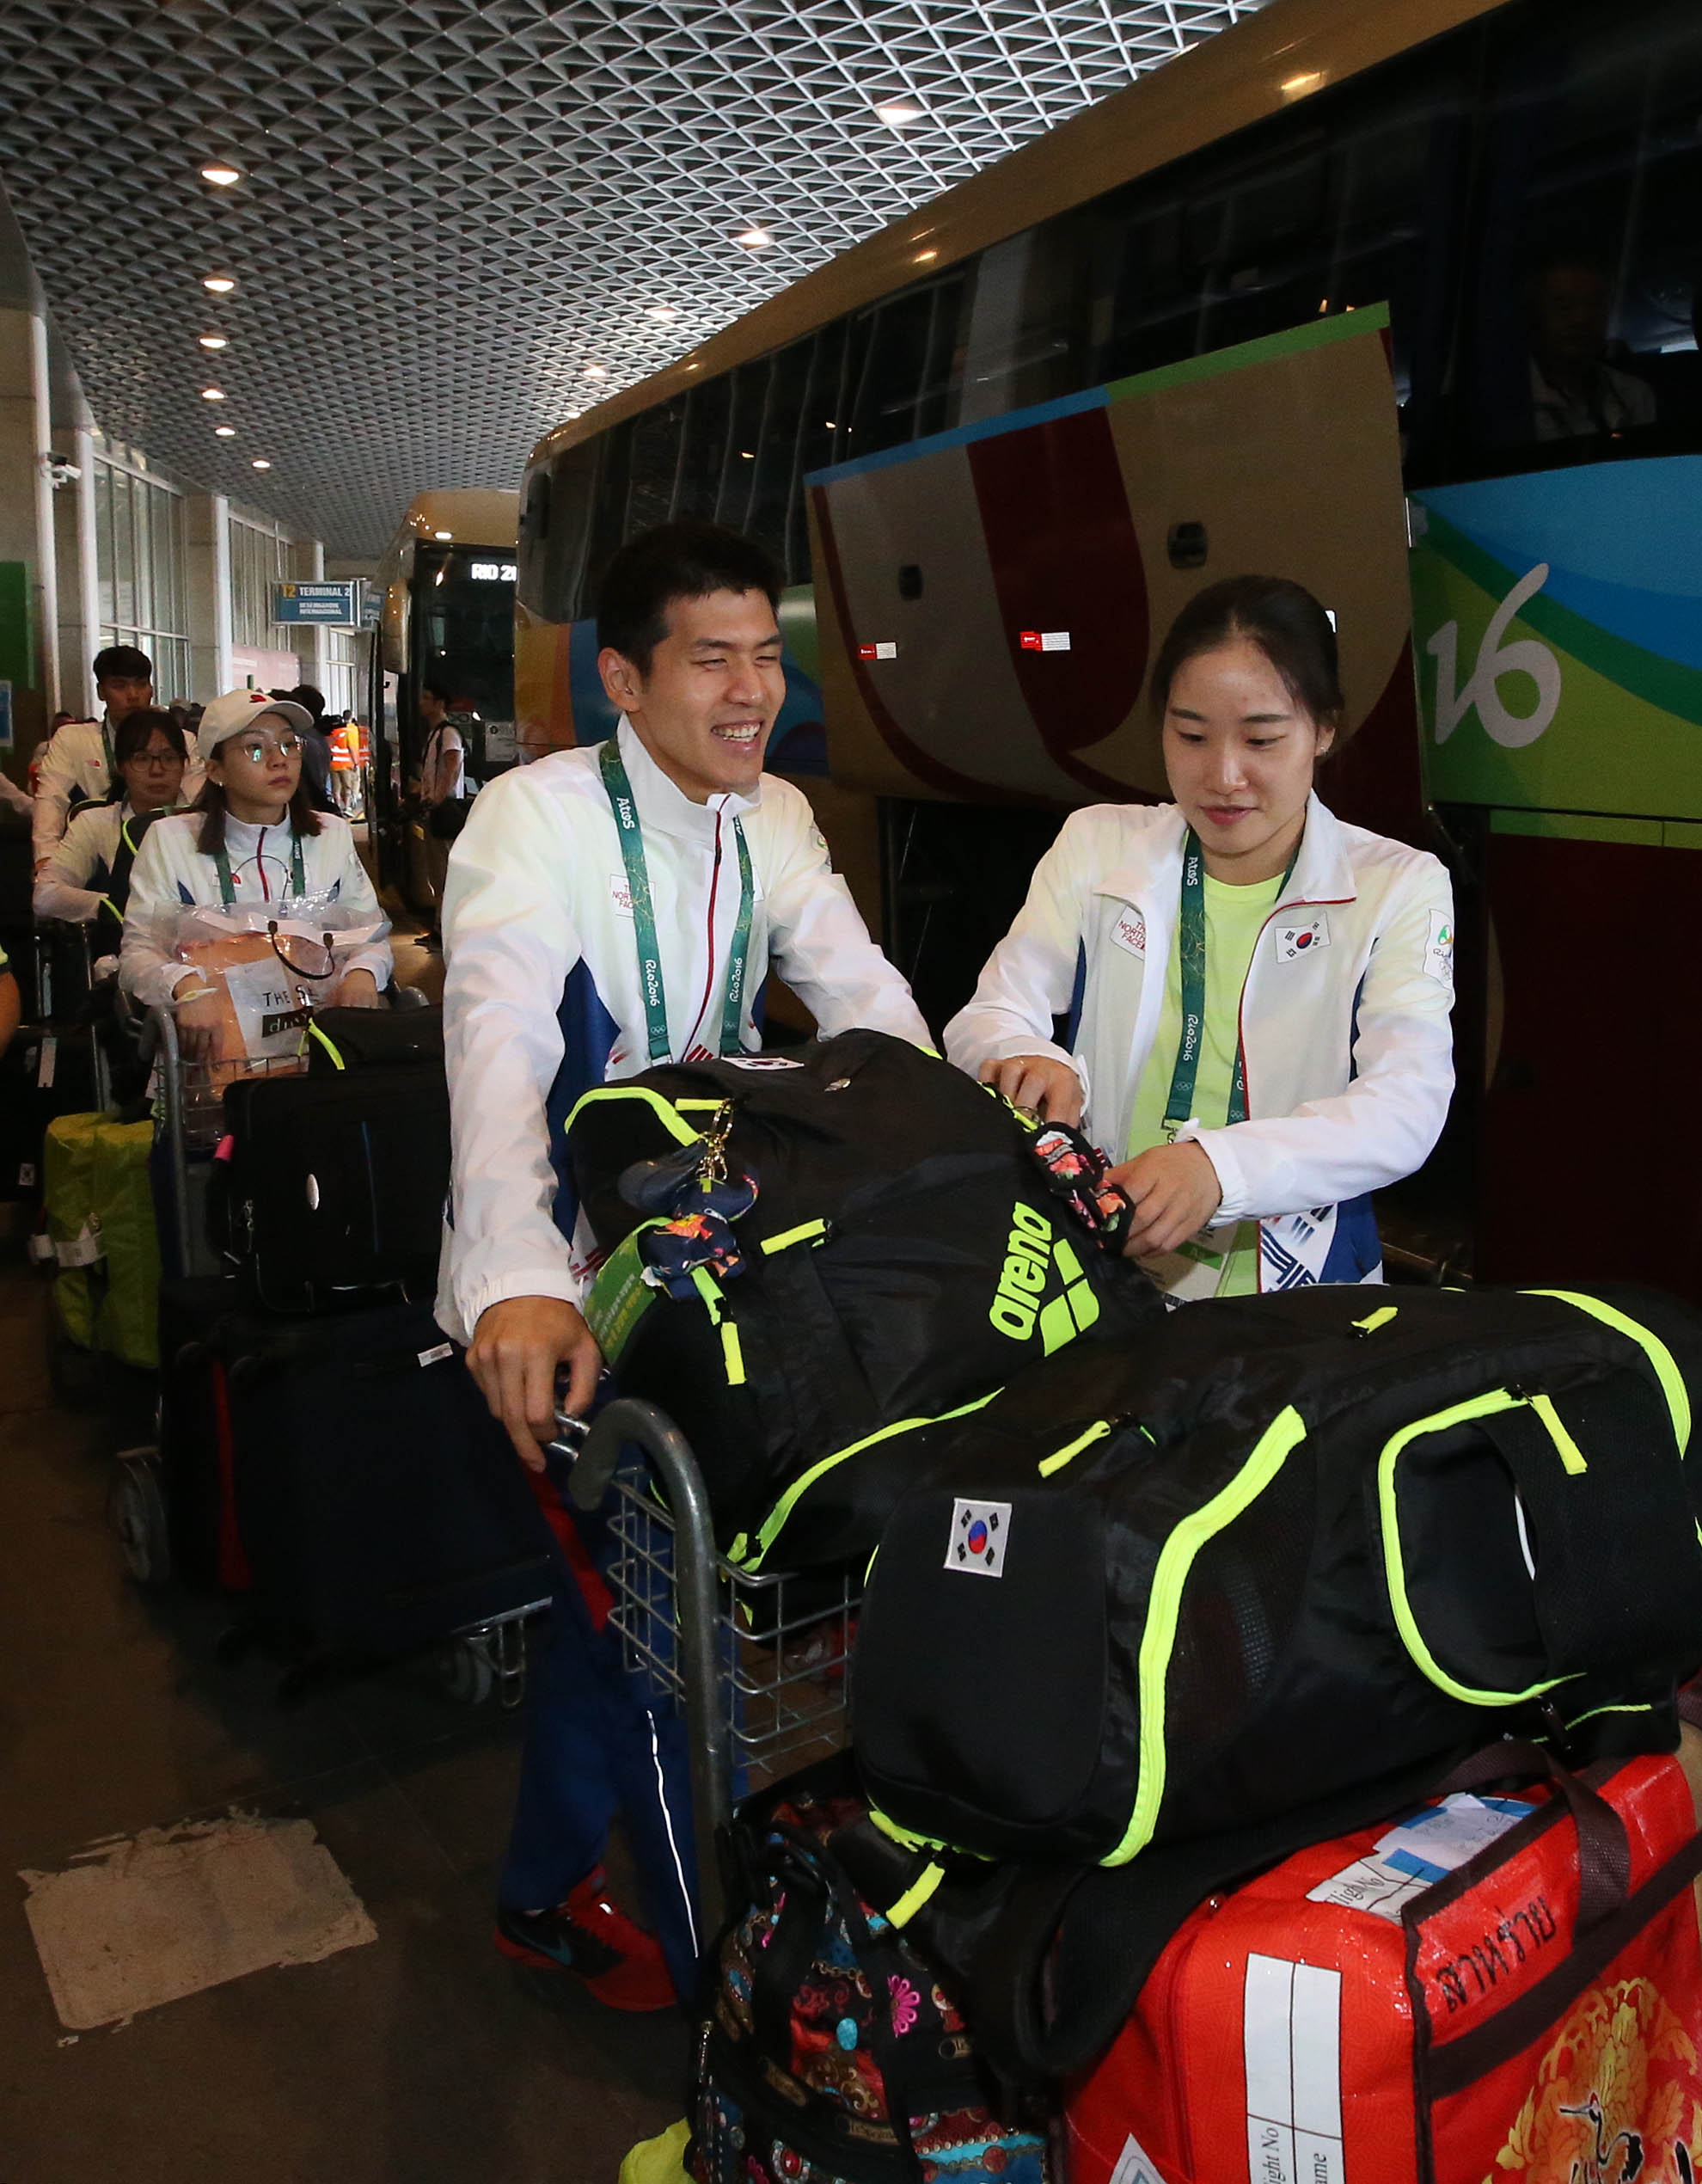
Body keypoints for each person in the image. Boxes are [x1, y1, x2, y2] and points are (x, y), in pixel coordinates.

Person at [440, 520, 929, 2009]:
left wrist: (965, 1149)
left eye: (767, 658)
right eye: (711, 658)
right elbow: (502, 1046)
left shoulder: (771, 816)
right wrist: (520, 1274)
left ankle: (539, 1888)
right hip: (574, 1288)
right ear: (621, 679)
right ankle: (733, 1983)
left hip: (714, 1270)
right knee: (653, 1637)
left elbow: (869, 1011)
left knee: (639, 1612)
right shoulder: (532, 822)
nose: (749, 691)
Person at [946, 575, 1455, 1299]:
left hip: (1295, 1295)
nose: (1222, 776)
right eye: (1190, 735)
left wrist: (1221, 1169)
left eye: (1262, 739)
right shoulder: (1097, 846)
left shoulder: (1396, 886)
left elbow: (1406, 1106)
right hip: (1102, 1263)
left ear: (1325, 729)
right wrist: (1022, 1055)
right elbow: (989, 1015)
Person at [119, 689, 393, 1023]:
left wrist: (363, 972)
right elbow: (138, 951)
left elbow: (370, 935)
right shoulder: (170, 840)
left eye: (289, 744)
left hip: (323, 1030)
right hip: (216, 1042)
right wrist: (184, 986)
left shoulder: (331, 834)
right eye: (256, 748)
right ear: (215, 770)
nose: (279, 760)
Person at [32, 646, 205, 865]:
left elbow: (197, 799)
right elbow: (51, 799)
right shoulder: (73, 739)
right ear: (101, 692)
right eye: (119, 686)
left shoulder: (182, 739)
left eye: (141, 684)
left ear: (151, 689)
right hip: (97, 855)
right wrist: (45, 857)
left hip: (169, 849)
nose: (133, 695)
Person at [34, 709, 188, 947]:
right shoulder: (94, 823)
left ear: (184, 764)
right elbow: (45, 895)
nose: (157, 770)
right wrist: (113, 906)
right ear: (121, 766)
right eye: (142, 759)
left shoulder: (204, 824)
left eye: (169, 758)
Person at [1528, 254, 1656, 442]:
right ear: (1536, 313)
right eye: (1564, 306)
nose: (1581, 319)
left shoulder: (1634, 395)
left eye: (1594, 305)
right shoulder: (1508, 404)